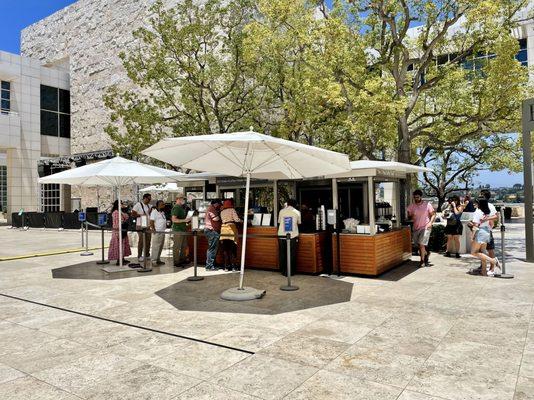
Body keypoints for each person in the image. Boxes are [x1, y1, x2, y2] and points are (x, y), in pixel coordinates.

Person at [470, 197, 501, 276]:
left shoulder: (477, 211)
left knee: (474, 252)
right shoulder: (487, 212)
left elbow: (475, 225)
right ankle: (484, 271)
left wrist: (472, 236)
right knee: (482, 252)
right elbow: (491, 222)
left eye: (476, 202)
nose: (475, 204)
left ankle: (493, 261)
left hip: (480, 232)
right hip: (486, 232)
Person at [407, 189, 436, 267]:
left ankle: (422, 261)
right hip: (416, 228)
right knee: (417, 245)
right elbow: (409, 216)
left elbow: (433, 214)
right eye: (415, 197)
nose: (416, 199)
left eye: (417, 197)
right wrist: (411, 216)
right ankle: (426, 253)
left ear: (421, 197)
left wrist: (430, 223)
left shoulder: (427, 205)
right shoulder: (412, 206)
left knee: (421, 244)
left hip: (425, 227)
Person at [278, 199, 301, 277]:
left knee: (283, 254)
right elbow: (299, 223)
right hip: (292, 236)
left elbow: (279, 222)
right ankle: (290, 272)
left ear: (287, 204)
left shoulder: (281, 211)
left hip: (281, 236)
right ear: (295, 205)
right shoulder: (297, 212)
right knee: (292, 254)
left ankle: (283, 271)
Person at [220, 199, 241, 271]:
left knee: (225, 249)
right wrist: (241, 220)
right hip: (231, 229)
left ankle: (226, 267)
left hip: (223, 229)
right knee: (232, 248)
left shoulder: (222, 212)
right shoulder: (232, 210)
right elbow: (236, 219)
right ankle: (233, 267)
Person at [108, 200, 131, 265]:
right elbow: (116, 223)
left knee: (123, 244)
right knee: (119, 245)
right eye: (121, 203)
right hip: (118, 231)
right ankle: (119, 260)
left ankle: (122, 258)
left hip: (123, 230)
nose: (122, 204)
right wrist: (117, 232)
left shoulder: (120, 211)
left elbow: (127, 216)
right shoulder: (116, 212)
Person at [171, 196, 191, 267]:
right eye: (183, 199)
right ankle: (176, 261)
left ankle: (182, 259)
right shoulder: (176, 207)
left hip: (183, 229)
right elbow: (174, 219)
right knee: (177, 246)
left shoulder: (181, 208)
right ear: (178, 199)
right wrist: (184, 220)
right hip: (177, 230)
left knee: (184, 246)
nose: (184, 200)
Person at [132, 193, 152, 262]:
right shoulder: (138, 205)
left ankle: (147, 254)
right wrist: (140, 215)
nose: (149, 200)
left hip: (148, 225)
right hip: (140, 225)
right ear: (145, 198)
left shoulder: (149, 206)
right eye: (149, 199)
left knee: (148, 240)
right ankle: (139, 255)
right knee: (141, 240)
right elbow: (133, 214)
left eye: (150, 199)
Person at [205, 199, 222, 271]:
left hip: (211, 230)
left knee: (212, 248)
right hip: (212, 231)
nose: (219, 206)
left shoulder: (211, 208)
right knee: (212, 248)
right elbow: (215, 218)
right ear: (216, 204)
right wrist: (220, 215)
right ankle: (209, 266)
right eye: (219, 204)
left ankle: (212, 264)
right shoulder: (211, 208)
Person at [149, 200, 167, 265]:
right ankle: (154, 261)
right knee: (156, 247)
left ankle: (158, 259)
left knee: (160, 246)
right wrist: (153, 230)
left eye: (164, 204)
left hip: (162, 231)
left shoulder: (162, 212)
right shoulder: (154, 212)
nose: (163, 205)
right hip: (157, 232)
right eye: (162, 204)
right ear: (158, 205)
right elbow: (151, 222)